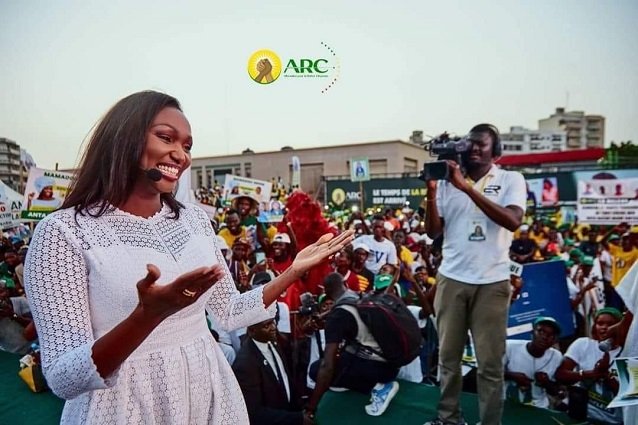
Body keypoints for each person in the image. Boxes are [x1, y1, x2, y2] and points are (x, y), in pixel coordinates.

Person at [23, 91, 354, 425]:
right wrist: (146, 316)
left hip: (207, 390)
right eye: (166, 138)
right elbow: (64, 377)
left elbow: (230, 310)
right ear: (124, 139)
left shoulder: (194, 220)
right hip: (124, 405)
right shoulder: (63, 232)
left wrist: (294, 271)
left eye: (187, 146)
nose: (180, 155)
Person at [424, 123, 526, 425]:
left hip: (492, 282)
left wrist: (465, 187)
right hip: (452, 279)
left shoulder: (510, 179)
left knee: (490, 365)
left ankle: (490, 422)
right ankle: (448, 418)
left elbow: (512, 221)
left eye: (483, 145)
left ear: (496, 151)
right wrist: (431, 192)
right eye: (471, 144)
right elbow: (433, 232)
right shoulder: (446, 182)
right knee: (448, 359)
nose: (475, 149)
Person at [307, 273, 400, 418]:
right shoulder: (360, 297)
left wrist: (311, 408)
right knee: (347, 354)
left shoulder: (337, 317)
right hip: (393, 364)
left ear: (326, 292)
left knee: (315, 369)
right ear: (346, 284)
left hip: (378, 370)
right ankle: (354, 381)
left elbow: (327, 365)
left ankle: (379, 388)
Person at [232, 318, 311, 425]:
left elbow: (285, 379)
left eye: (273, 322)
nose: (273, 327)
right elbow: (254, 412)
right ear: (252, 330)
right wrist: (297, 419)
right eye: (266, 326)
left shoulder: (272, 342)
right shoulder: (245, 363)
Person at [555, 308, 624, 424]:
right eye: (600, 323)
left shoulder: (627, 353)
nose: (604, 327)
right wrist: (589, 374)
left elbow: (630, 398)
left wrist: (606, 377)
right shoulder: (583, 344)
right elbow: (560, 375)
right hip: (580, 415)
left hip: (612, 421)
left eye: (611, 324)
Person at [503, 317, 563, 409]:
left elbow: (557, 391)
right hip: (508, 401)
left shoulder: (556, 357)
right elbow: (489, 372)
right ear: (532, 333)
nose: (544, 337)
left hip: (538, 406)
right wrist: (512, 376)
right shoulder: (509, 347)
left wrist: (546, 383)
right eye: (541, 331)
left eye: (551, 335)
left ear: (555, 341)